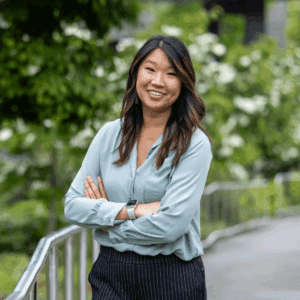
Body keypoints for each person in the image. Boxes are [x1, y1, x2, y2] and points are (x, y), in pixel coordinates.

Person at [64, 35, 213, 300]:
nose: (158, 81)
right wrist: (133, 211)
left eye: (171, 73)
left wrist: (107, 223)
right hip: (111, 276)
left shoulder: (194, 143)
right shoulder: (110, 134)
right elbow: (73, 206)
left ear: (183, 83)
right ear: (136, 74)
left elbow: (170, 226)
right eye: (150, 69)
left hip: (172, 278)